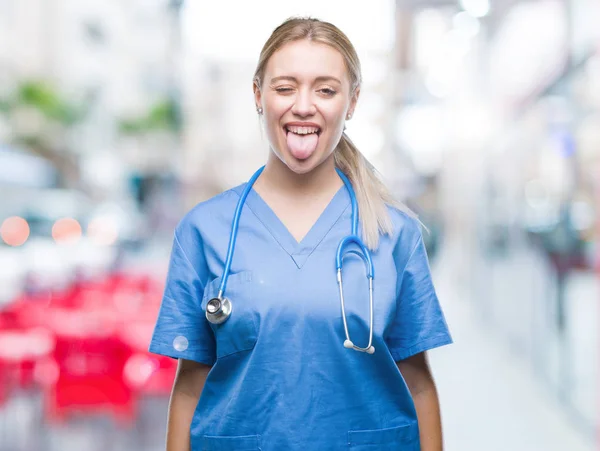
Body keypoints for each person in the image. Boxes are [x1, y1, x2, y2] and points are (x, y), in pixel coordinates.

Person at [149, 16, 452, 451]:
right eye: (285, 87)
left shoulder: (393, 233)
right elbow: (190, 385)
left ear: (352, 102)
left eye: (326, 89)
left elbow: (418, 383)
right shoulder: (204, 231)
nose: (304, 106)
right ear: (258, 95)